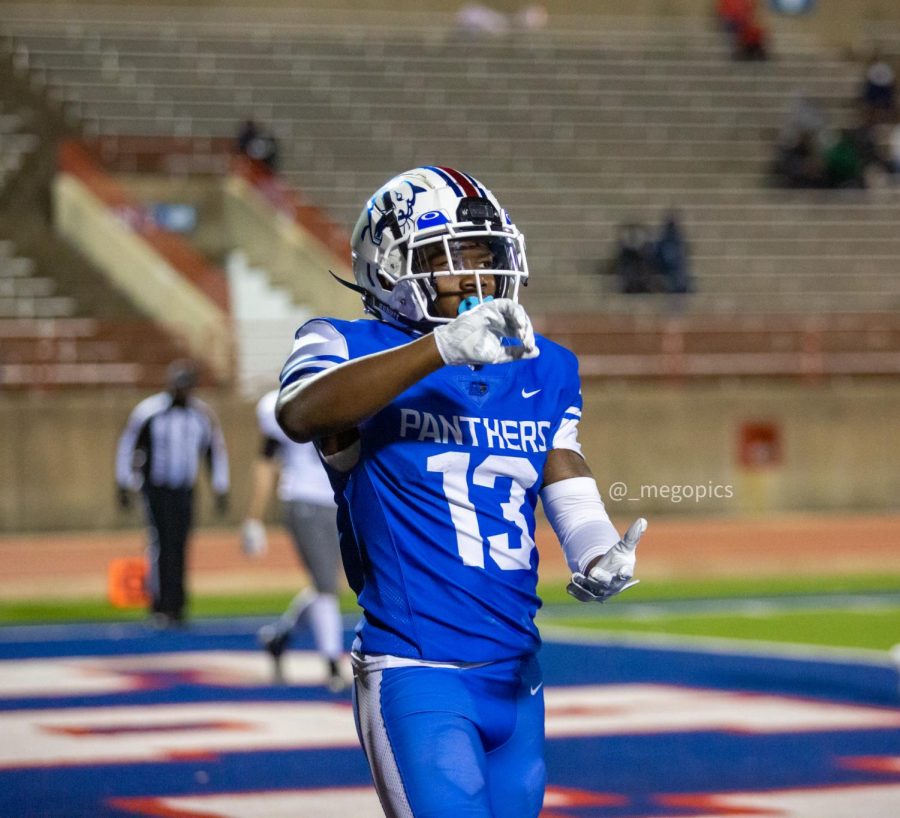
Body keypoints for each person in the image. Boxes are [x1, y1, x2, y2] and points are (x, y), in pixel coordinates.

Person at [275, 167, 646, 818]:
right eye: (452, 260)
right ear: (390, 268)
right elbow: (301, 412)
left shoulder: (540, 362)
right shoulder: (345, 345)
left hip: (516, 671)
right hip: (418, 671)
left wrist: (593, 546)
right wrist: (439, 349)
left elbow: (558, 456)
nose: (477, 279)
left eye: (486, 257)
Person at [241, 389, 348, 691]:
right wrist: (254, 517)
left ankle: (280, 635)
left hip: (337, 500)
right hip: (303, 499)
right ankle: (331, 665)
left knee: (326, 584)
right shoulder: (282, 402)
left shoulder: (347, 386)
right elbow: (265, 462)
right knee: (326, 586)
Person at [115, 359, 229, 628]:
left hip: (185, 489)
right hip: (156, 488)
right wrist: (123, 484)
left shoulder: (201, 415)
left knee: (180, 544)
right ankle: (159, 603)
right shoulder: (149, 412)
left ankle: (177, 604)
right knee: (160, 543)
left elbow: (215, 451)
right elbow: (127, 447)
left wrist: (220, 487)